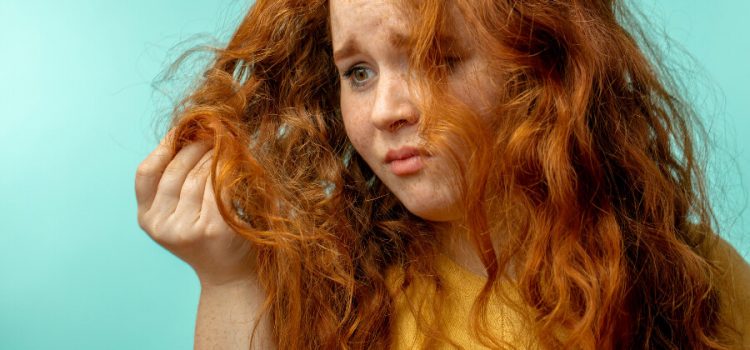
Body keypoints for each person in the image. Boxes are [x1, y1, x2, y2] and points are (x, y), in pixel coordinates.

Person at [135, 0, 750, 348]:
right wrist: (225, 280)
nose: (385, 111)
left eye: (437, 59)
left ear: (540, 69)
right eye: (358, 72)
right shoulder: (344, 296)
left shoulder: (689, 272)